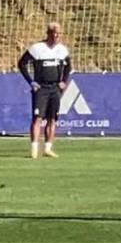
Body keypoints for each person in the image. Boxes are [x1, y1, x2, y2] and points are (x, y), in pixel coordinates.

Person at [17, 23, 71, 158]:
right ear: (48, 34)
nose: (57, 36)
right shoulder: (37, 48)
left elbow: (68, 66)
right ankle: (34, 148)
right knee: (37, 118)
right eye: (54, 33)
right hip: (41, 88)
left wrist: (64, 81)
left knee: (52, 119)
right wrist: (31, 82)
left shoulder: (62, 50)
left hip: (55, 88)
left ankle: (48, 148)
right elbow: (22, 63)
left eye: (59, 34)